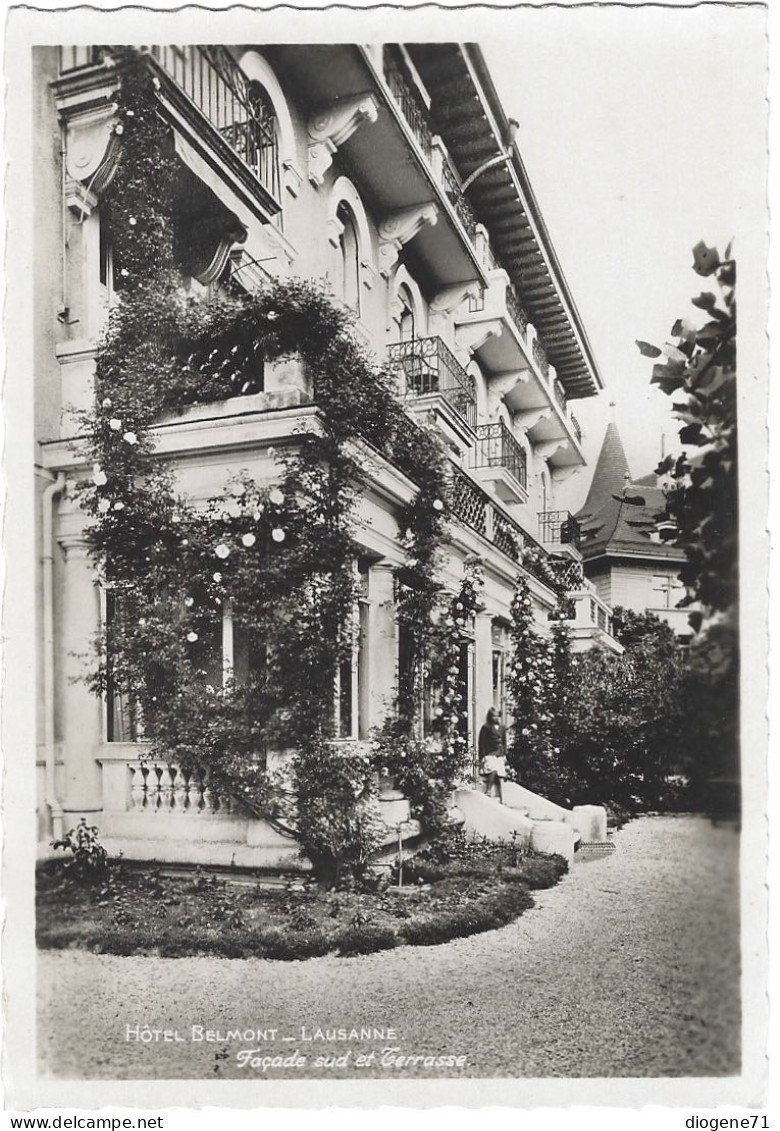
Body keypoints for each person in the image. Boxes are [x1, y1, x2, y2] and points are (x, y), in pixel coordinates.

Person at [479, 707, 506, 803]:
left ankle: (501, 796)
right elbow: (482, 742)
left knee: (500, 773)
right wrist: (483, 756)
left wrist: (504, 754)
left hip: (500, 753)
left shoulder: (502, 727)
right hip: (490, 753)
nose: (495, 718)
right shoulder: (486, 727)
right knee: (493, 769)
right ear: (490, 716)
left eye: (497, 716)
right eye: (493, 716)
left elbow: (503, 742)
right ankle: (488, 790)